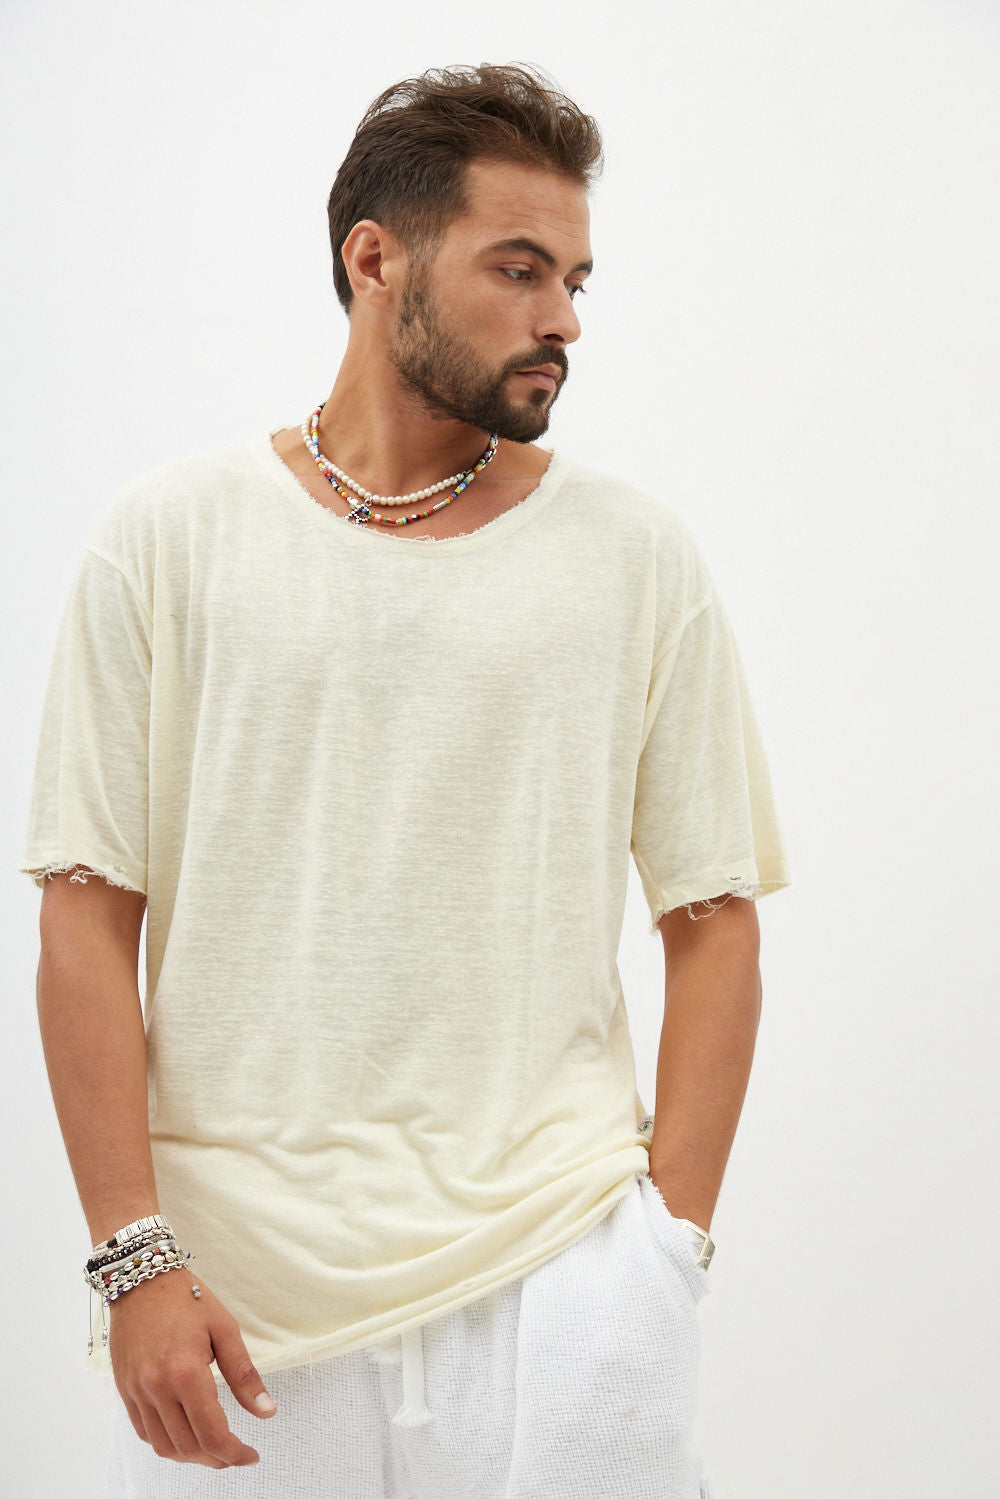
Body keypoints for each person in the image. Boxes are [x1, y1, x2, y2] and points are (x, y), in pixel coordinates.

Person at [19, 61, 791, 1499]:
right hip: (240, 1308)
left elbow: (715, 921)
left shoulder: (634, 556)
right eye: (519, 268)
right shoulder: (169, 540)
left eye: (574, 279)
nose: (563, 318)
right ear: (376, 261)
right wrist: (133, 1257)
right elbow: (84, 919)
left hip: (561, 1274)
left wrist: (664, 1256)